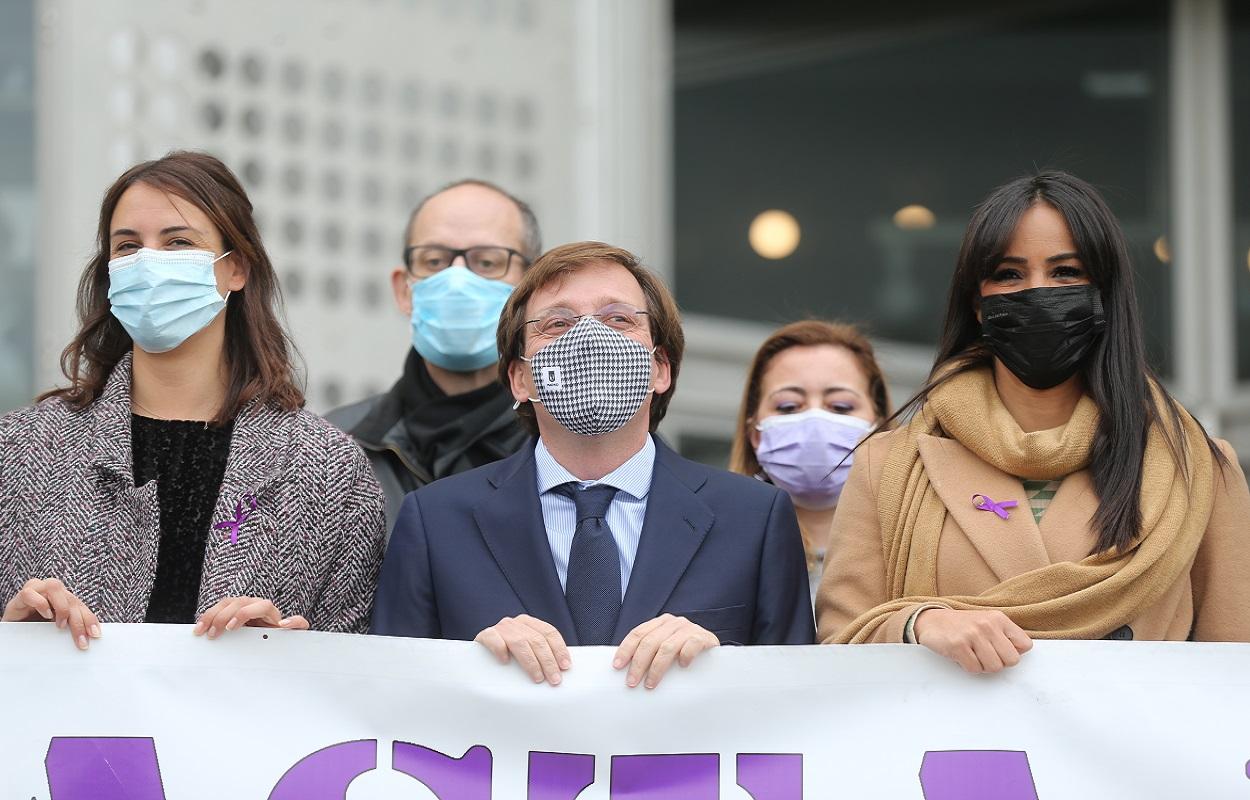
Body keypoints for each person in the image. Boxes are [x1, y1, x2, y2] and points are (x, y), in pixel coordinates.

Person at [817, 171, 1250, 672]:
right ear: (977, 303)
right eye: (1009, 273)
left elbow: (1233, 675)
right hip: (959, 750)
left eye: (1065, 272)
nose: (1037, 291)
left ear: (1104, 295)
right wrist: (919, 624)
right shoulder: (887, 465)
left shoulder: (1196, 467)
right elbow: (837, 653)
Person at [372, 242, 813, 688]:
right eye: (556, 324)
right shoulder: (435, 522)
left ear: (660, 368)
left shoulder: (754, 519)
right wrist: (469, 664)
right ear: (520, 379)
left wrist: (722, 664)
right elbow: (390, 698)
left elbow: (796, 707)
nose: (588, 339)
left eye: (618, 319)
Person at [0, 151, 386, 649]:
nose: (149, 263)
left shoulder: (328, 470)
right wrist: (12, 638)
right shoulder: (21, 449)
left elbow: (361, 682)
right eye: (128, 246)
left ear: (236, 268)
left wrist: (294, 656)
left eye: (178, 242)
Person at [327, 180, 539, 531]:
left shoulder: (565, 450)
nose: (457, 280)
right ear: (403, 290)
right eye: (434, 260)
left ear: (532, 289)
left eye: (487, 262)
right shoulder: (334, 448)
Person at [729, 320, 890, 602]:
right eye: (788, 406)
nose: (815, 421)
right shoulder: (717, 547)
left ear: (878, 427)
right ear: (755, 433)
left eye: (840, 406)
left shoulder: (917, 552)